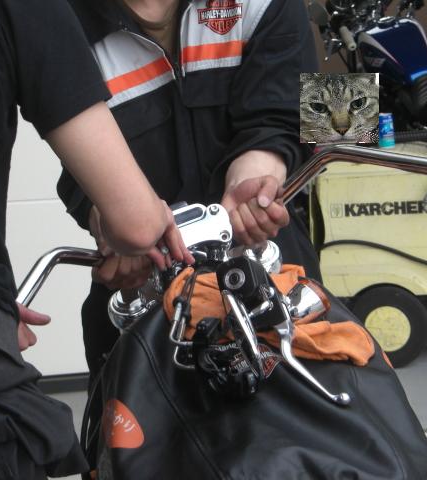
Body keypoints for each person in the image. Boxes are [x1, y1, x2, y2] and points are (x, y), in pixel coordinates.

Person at [0, 0, 191, 479]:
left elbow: (324, 118)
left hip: (274, 277)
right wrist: (99, 217)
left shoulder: (275, 8)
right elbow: (73, 172)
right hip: (132, 306)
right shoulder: (72, 13)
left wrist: (267, 167)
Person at [57, 0, 321, 382]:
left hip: (273, 281)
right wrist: (108, 222)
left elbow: (304, 115)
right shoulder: (60, 26)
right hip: (144, 295)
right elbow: (73, 168)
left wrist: (256, 183)